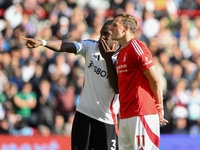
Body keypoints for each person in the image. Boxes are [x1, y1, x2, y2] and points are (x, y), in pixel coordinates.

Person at [22, 20, 120, 150]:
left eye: (106, 34)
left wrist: (107, 60)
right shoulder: (90, 47)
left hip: (106, 119)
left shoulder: (120, 59)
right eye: (101, 33)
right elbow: (65, 46)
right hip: (83, 114)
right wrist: (43, 43)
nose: (102, 37)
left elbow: (117, 88)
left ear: (116, 37)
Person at [99, 13, 168, 150]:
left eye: (115, 25)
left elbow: (155, 80)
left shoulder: (137, 47)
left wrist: (159, 106)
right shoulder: (120, 53)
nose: (111, 28)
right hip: (125, 115)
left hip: (141, 113)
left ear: (125, 29)